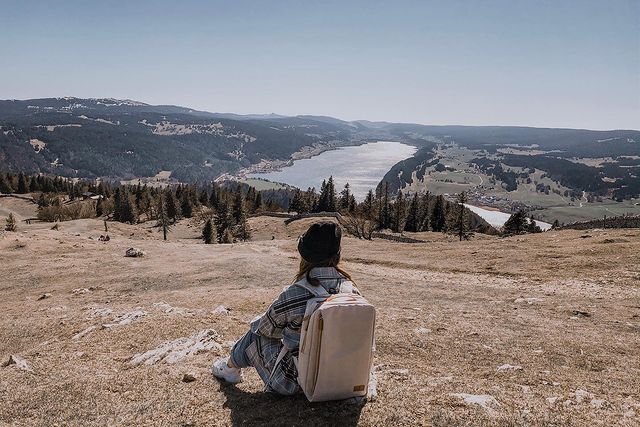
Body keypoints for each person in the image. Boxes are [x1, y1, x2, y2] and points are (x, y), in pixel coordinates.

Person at [212, 221, 360, 395]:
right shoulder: (352, 291)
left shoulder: (296, 293)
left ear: (305, 256)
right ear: (337, 256)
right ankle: (229, 367)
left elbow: (264, 329)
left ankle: (229, 369)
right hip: (340, 380)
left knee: (254, 335)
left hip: (299, 383)